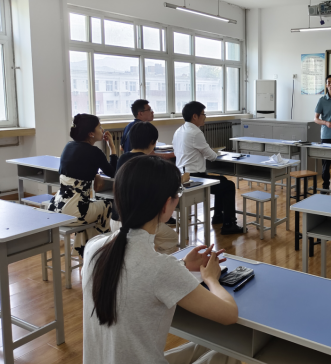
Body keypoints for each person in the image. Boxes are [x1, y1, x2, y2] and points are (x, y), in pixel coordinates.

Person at [82, 155, 240, 364]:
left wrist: (183, 265)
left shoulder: (94, 247)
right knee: (231, 352)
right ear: (166, 205)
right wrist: (211, 278)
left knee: (212, 345)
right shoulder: (160, 268)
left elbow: (138, 275)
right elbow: (229, 315)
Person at [111, 121, 188, 254]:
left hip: (116, 219)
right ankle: (156, 262)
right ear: (153, 142)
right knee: (171, 238)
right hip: (135, 224)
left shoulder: (123, 158)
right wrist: (182, 179)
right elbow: (166, 184)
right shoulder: (146, 163)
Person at [49, 114, 116, 256]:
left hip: (56, 206)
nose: (102, 130)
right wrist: (112, 148)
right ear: (91, 134)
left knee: (90, 206)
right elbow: (113, 173)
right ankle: (103, 251)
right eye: (99, 127)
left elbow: (79, 168)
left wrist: (94, 174)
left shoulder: (68, 146)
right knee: (107, 205)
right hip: (74, 212)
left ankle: (84, 250)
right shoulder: (95, 152)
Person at [173, 101, 243, 235]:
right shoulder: (195, 132)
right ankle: (229, 224)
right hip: (194, 178)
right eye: (203, 114)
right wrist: (213, 152)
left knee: (222, 180)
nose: (205, 117)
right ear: (195, 116)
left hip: (181, 175)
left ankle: (218, 216)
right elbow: (211, 156)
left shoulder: (179, 130)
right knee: (229, 186)